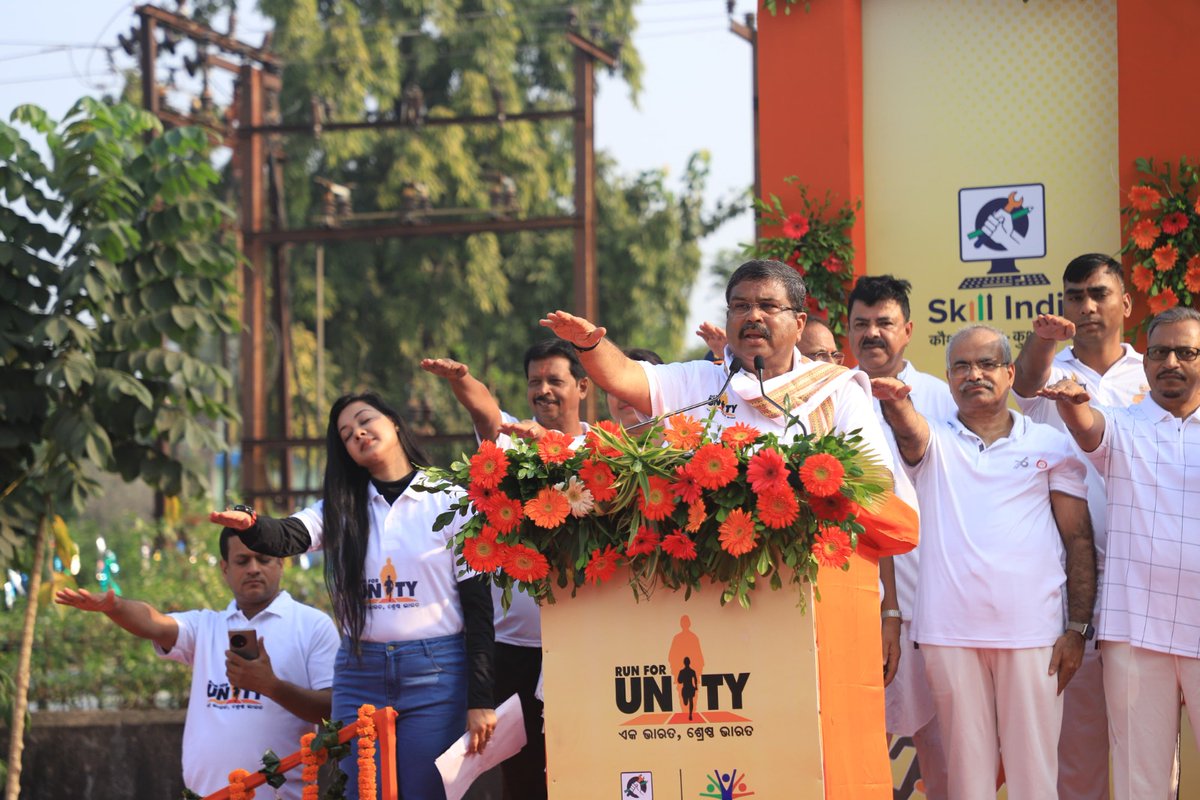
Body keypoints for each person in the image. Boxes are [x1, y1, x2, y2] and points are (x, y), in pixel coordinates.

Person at [541, 259, 918, 793]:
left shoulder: (836, 392)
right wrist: (589, 346)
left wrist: (798, 488)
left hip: (807, 613)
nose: (753, 317)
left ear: (797, 317)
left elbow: (876, 488)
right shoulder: (701, 381)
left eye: (768, 306)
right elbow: (626, 378)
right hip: (706, 611)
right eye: (741, 306)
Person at [210, 392, 497, 800]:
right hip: (360, 674)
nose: (358, 433)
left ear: (394, 423)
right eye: (346, 434)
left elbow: (479, 608)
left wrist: (481, 698)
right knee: (363, 792)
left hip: (435, 675)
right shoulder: (341, 507)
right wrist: (252, 525)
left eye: (365, 420)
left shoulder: (453, 499)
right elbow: (289, 534)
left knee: (423, 793)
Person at [871, 324, 1095, 800]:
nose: (974, 374)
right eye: (961, 367)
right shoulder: (934, 442)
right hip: (949, 637)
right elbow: (911, 434)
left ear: (1011, 373)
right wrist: (896, 405)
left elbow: (1078, 541)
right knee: (967, 781)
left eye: (987, 364)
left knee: (1034, 777)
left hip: (1034, 635)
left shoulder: (1049, 445)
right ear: (949, 379)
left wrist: (1077, 628)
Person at [421, 340, 597, 800]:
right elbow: (485, 414)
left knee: (584, 766)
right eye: (534, 382)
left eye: (554, 380)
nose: (543, 391)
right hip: (513, 647)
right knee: (522, 779)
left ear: (581, 385)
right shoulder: (511, 442)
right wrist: (462, 380)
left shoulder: (604, 449)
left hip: (582, 645)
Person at [1037, 306, 1200, 800]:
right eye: (1159, 352)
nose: (1170, 361)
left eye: (1186, 352)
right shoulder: (1124, 426)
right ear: (1145, 362)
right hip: (1135, 629)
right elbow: (1089, 429)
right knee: (1139, 780)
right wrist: (1071, 407)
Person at [54, 531, 339, 799]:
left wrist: (271, 686)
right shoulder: (206, 626)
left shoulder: (313, 626)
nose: (253, 568)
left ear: (280, 563)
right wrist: (115, 608)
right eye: (242, 560)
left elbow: (331, 709)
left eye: (263, 559)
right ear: (225, 569)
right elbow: (155, 622)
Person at [1010, 252, 1146, 800]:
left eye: (1098, 294)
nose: (1086, 307)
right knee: (1079, 740)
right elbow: (1021, 385)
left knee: (1148, 742)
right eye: (1074, 296)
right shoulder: (1051, 371)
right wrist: (1043, 341)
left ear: (1126, 304)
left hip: (1148, 574)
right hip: (1074, 578)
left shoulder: (1157, 369)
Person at [846, 274, 954, 800]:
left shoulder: (942, 396)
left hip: (938, 599)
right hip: (855, 597)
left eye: (884, 322)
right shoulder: (831, 397)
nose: (873, 334)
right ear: (847, 331)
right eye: (861, 324)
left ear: (907, 329)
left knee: (945, 745)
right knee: (859, 740)